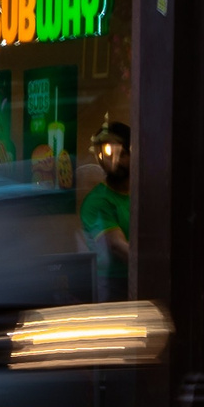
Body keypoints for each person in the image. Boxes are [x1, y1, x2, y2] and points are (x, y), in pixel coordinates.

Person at [79, 124, 131, 302]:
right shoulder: (97, 201)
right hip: (113, 287)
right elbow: (118, 247)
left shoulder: (142, 195)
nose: (112, 161)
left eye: (121, 154)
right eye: (105, 155)